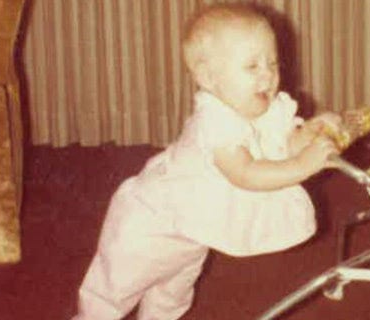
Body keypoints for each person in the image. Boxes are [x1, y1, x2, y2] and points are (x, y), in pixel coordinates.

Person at [73, 3, 341, 319]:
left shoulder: (264, 110)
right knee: (112, 292)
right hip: (149, 222)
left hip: (193, 230)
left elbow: (282, 145)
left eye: (273, 62)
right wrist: (303, 166)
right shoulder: (214, 122)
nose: (268, 74)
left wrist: (311, 133)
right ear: (208, 77)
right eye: (252, 66)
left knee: (172, 297)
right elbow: (245, 173)